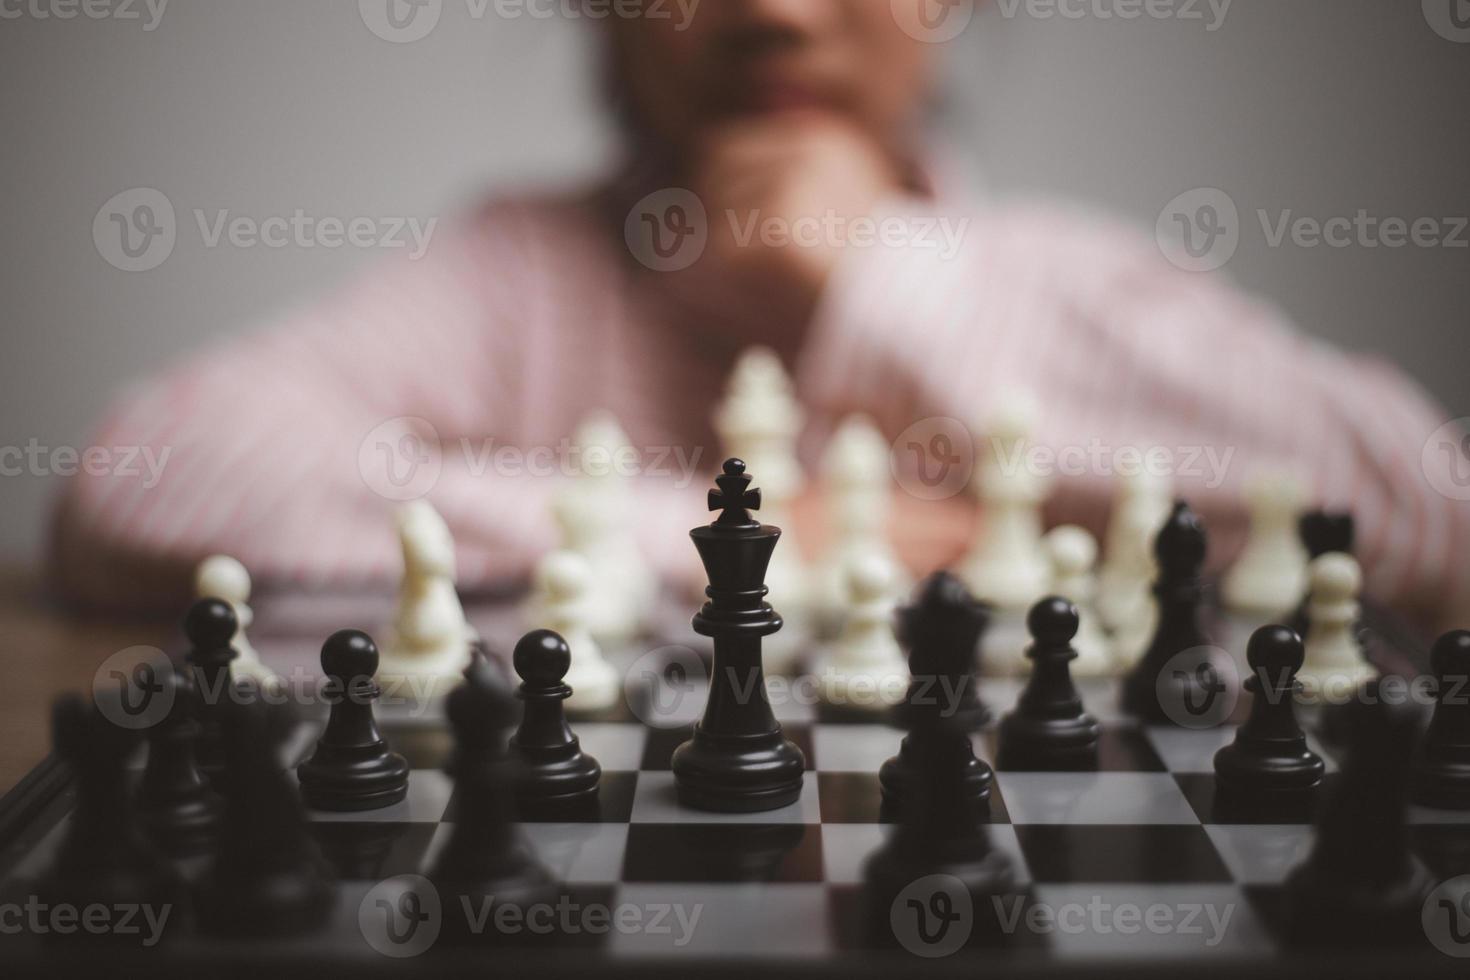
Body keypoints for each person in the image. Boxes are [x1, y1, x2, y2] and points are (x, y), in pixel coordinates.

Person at [50, 1, 1467, 629]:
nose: (776, 11)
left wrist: (873, 278)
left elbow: (1415, 508)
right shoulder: (519, 279)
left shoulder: (1056, 282)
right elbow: (138, 478)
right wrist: (730, 550)